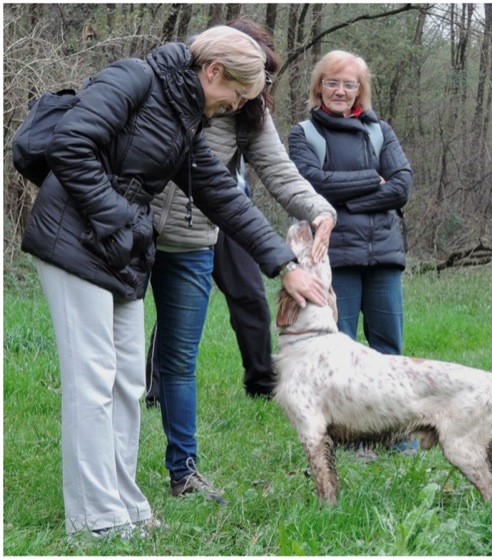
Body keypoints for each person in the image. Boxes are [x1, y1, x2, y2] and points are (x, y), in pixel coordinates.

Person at [20, 25, 328, 539]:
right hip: (73, 241)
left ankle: (125, 509)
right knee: (93, 380)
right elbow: (70, 145)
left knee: (127, 382)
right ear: (213, 72)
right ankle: (94, 522)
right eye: (235, 94)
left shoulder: (184, 116)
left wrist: (284, 264)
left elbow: (224, 196)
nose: (234, 106)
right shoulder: (134, 79)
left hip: (119, 250)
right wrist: (121, 215)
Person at [144, 19, 336, 505]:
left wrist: (319, 210)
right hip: (133, 232)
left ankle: (183, 473)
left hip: (192, 240)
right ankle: (111, 474)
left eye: (260, 81)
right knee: (119, 361)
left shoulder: (250, 112)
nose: (249, 92)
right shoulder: (167, 92)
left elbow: (277, 170)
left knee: (180, 362)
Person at [288, 49, 414, 458]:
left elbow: (402, 187)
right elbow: (310, 185)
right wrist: (369, 182)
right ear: (318, 87)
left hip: (384, 257)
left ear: (361, 89)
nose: (340, 91)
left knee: (389, 350)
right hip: (334, 258)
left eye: (349, 83)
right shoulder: (303, 134)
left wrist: (346, 206)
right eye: (332, 82)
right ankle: (354, 439)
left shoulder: (380, 131)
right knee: (340, 353)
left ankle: (397, 434)